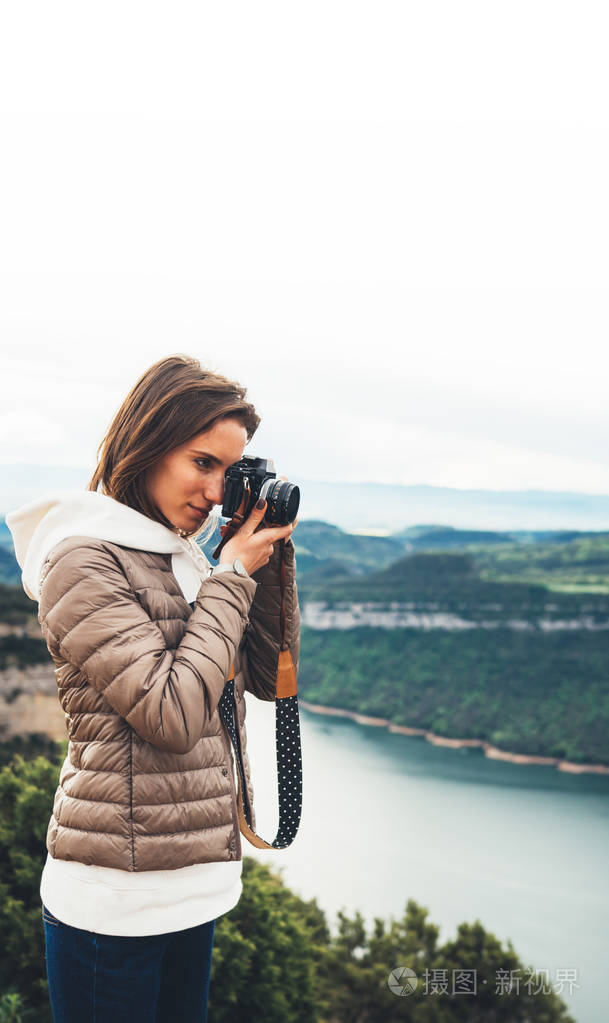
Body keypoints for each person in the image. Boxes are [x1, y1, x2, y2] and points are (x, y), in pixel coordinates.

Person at [5, 353, 301, 1023]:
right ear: (146, 446)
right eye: (203, 463)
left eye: (232, 473)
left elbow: (262, 675)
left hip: (195, 886)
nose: (216, 490)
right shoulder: (83, 559)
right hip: (115, 903)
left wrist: (265, 559)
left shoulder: (182, 556)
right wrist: (230, 575)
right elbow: (169, 713)